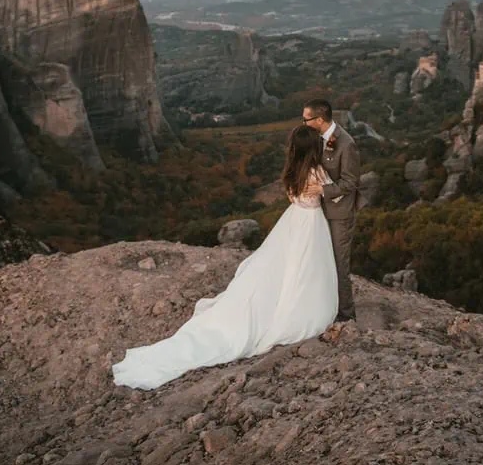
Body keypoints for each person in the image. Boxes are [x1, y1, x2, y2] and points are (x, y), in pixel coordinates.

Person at [111, 125, 339, 390]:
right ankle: (301, 313)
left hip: (294, 221)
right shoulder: (315, 172)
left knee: (288, 268)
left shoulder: (292, 171)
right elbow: (337, 192)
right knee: (305, 269)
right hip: (310, 225)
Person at [300, 99, 359, 322]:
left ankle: (346, 317)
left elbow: (350, 182)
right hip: (319, 213)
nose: (303, 123)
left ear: (319, 120)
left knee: (338, 265)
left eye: (306, 119)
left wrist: (321, 189)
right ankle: (326, 310)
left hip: (339, 214)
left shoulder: (346, 144)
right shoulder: (317, 138)